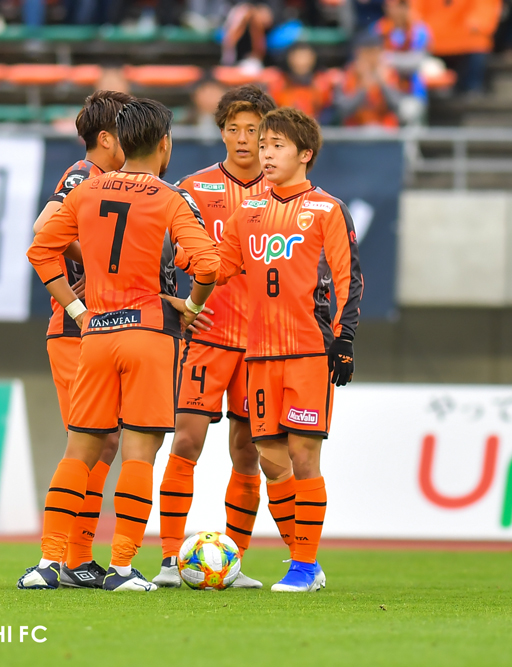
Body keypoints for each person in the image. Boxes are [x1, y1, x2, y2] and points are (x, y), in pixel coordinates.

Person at [23, 98, 220, 592]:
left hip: (95, 335)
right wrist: (191, 305)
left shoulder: (86, 191)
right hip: (149, 333)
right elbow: (208, 264)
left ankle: (48, 564)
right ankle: (124, 569)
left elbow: (41, 247)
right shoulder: (170, 197)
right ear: (164, 144)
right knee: (138, 452)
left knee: (79, 451)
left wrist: (78, 310)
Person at [214, 107, 363, 592]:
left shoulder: (327, 209)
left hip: (308, 352)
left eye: (276, 145)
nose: (266, 154)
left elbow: (348, 277)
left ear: (305, 154)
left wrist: (344, 340)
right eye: (263, 146)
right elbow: (220, 268)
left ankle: (302, 566)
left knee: (303, 455)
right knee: (271, 459)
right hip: (259, 354)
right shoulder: (247, 212)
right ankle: (306, 560)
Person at [152, 84, 278, 590]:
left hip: (262, 344)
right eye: (233, 128)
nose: (243, 138)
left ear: (267, 135)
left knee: (247, 452)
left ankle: (235, 562)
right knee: (185, 440)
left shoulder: (286, 195)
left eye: (253, 130)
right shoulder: (191, 188)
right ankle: (168, 559)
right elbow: (155, 252)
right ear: (220, 131)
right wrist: (173, 302)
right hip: (206, 336)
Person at [28, 90, 133, 588]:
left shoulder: (116, 182)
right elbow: (42, 229)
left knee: (105, 442)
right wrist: (93, 262)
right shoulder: (83, 175)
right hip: (76, 329)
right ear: (107, 138)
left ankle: (77, 558)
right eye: (125, 130)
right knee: (88, 440)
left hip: (102, 329)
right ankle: (61, 558)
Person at [412, 0, 501, 94]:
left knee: (478, 47)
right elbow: (414, 14)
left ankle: (472, 89)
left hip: (467, 43)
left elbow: (482, 17)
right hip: (430, 43)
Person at [334, 32, 410, 127]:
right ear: (358, 54)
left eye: (374, 53)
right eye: (367, 53)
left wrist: (383, 85)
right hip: (356, 130)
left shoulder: (389, 73)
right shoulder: (349, 74)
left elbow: (398, 107)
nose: (371, 58)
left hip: (386, 130)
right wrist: (363, 88)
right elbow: (343, 110)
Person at [269, 42, 334, 120]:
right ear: (290, 58)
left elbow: (327, 112)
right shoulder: (279, 83)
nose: (302, 62)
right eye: (298, 57)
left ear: (313, 58)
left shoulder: (321, 83)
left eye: (305, 57)